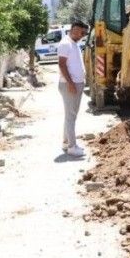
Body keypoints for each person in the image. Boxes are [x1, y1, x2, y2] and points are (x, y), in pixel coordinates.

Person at [58, 21, 88, 157]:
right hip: (70, 85)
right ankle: (72, 147)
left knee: (69, 115)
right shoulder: (65, 44)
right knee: (71, 116)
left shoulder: (74, 44)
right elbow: (62, 65)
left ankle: (66, 142)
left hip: (76, 83)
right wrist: (70, 83)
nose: (83, 35)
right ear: (75, 30)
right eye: (83, 33)